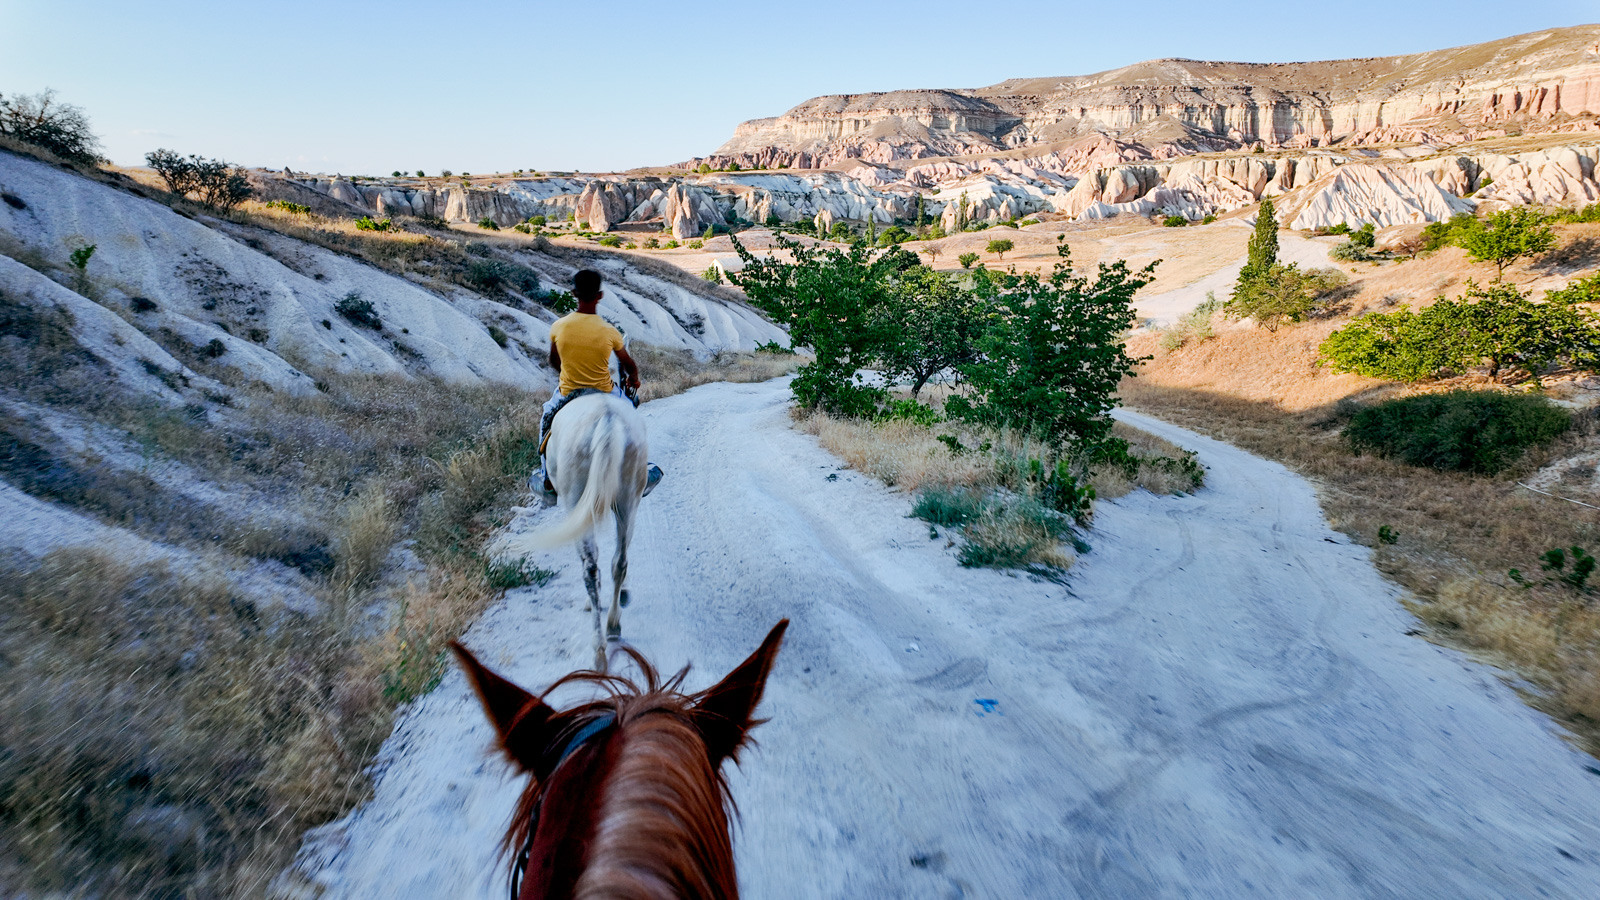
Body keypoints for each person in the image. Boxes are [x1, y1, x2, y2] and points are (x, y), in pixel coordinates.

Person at [536, 269, 663, 503]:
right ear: (600, 296)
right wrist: (633, 379)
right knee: (631, 419)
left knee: (546, 418)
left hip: (568, 391)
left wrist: (569, 373)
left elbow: (554, 361)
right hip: (606, 391)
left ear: (574, 293)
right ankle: (642, 470)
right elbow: (628, 364)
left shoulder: (559, 326)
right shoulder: (609, 331)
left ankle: (546, 479)